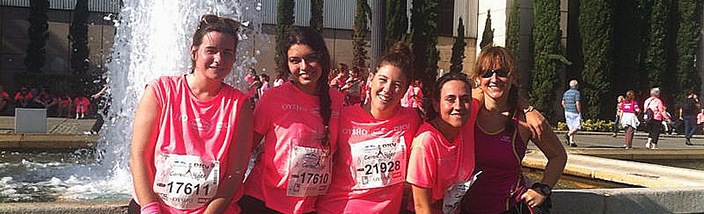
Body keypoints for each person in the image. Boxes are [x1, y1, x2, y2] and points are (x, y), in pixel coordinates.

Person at [128, 14, 253, 214]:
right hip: (154, 208)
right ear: (194, 52)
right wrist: (151, 210)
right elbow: (138, 157)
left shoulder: (239, 104)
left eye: (227, 53)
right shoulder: (160, 91)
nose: (219, 59)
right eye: (211, 51)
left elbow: (235, 173)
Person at [239, 26, 344, 214]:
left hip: (309, 206)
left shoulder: (338, 101)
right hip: (263, 201)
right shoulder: (273, 98)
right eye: (295, 61)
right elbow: (245, 148)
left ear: (322, 57)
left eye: (311, 58)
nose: (304, 67)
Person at [316, 42, 422, 214]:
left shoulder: (411, 119)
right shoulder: (343, 116)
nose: (387, 90)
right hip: (338, 208)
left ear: (404, 92)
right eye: (383, 80)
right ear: (371, 79)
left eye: (396, 85)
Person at [462, 46, 567, 214]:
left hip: (510, 208)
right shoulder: (468, 111)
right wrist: (526, 105)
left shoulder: (526, 122)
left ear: (512, 77)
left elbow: (558, 156)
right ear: (478, 78)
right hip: (466, 208)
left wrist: (543, 189)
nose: (494, 78)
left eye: (502, 72)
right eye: (487, 73)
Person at [406, 72, 478, 214]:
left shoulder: (465, 124)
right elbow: (421, 206)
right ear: (436, 104)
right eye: (450, 99)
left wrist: (527, 108)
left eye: (465, 99)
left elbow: (491, 90)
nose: (458, 106)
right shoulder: (426, 142)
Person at [561, 79, 581, 147]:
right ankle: (568, 135)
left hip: (567, 111)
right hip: (574, 112)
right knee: (577, 127)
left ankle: (571, 142)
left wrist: (566, 108)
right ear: (576, 85)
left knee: (571, 127)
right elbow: (577, 103)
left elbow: (563, 103)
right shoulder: (577, 93)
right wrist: (579, 111)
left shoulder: (566, 93)